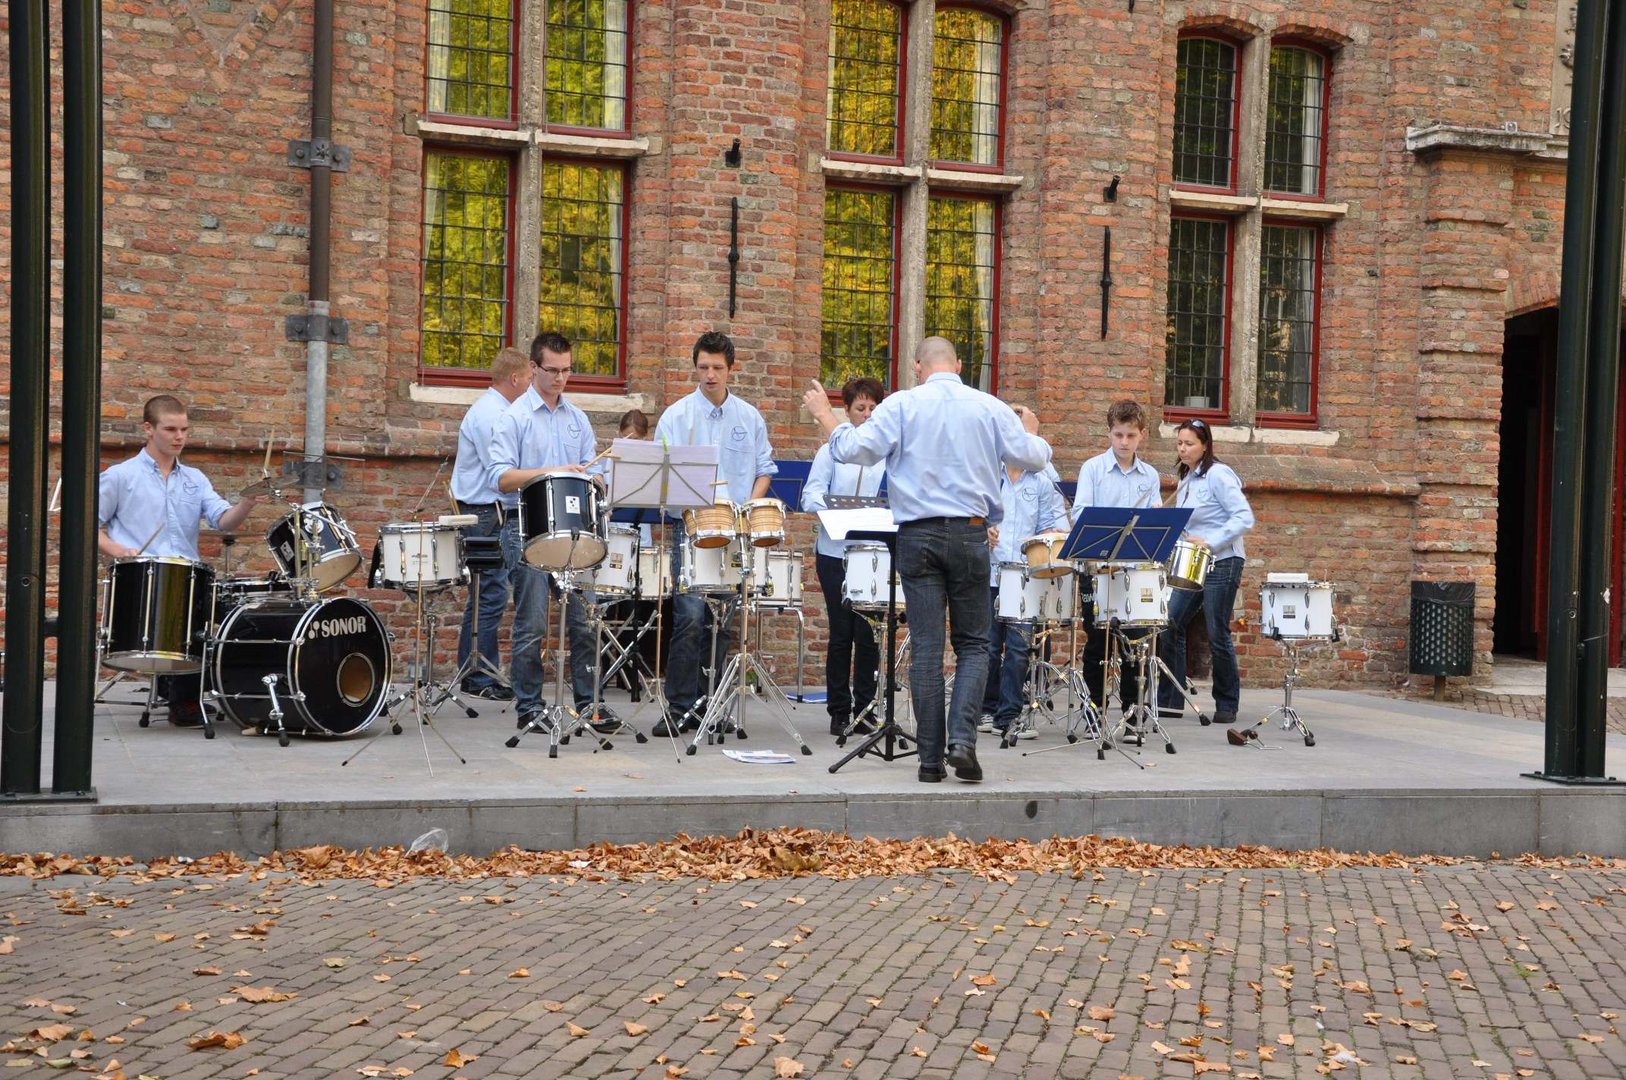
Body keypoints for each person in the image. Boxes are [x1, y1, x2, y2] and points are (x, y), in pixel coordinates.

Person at [801, 337, 1051, 784]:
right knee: (974, 644)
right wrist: (1030, 431)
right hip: (971, 533)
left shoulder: (901, 405)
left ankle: (929, 761)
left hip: (917, 535)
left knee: (927, 648)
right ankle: (962, 741)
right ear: (959, 365)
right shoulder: (989, 407)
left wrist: (825, 415)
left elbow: (856, 449)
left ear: (918, 367)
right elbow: (1035, 456)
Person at [98, 394, 263, 727]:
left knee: (245, 623)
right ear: (148, 429)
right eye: (171, 429)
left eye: (184, 430)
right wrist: (118, 550)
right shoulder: (120, 476)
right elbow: (88, 526)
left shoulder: (195, 479)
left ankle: (206, 688)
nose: (179, 437)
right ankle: (183, 701)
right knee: (188, 621)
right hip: (143, 576)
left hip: (189, 577)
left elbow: (223, 521)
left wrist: (247, 503)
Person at [650, 331, 778, 737]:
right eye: (703, 367)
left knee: (721, 620)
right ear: (695, 366)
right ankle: (678, 706)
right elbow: (660, 475)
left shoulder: (749, 417)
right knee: (689, 616)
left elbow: (764, 470)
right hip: (691, 529)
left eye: (717, 368)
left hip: (734, 530)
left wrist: (747, 508)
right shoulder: (676, 416)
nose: (709, 375)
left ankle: (711, 703)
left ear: (730, 369)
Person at [489, 332, 616, 734]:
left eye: (567, 370)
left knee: (585, 621)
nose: (560, 378)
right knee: (532, 623)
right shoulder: (514, 418)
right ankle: (530, 706)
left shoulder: (577, 418)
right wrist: (553, 471)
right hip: (525, 527)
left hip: (576, 531)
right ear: (533, 368)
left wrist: (597, 479)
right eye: (552, 370)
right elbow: (500, 478)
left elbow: (595, 469)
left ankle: (591, 705)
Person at [801, 377, 886, 737]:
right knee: (841, 633)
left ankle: (865, 708)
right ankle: (838, 709)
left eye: (872, 408)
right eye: (860, 408)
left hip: (874, 554)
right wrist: (836, 510)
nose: (867, 414)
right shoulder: (830, 451)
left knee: (869, 634)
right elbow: (810, 495)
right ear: (847, 412)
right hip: (835, 552)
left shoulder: (886, 452)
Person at [1157, 418, 1254, 728]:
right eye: (1179, 443)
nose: (1182, 449)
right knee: (1169, 622)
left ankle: (1227, 703)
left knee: (1216, 630)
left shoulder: (1218, 474)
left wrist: (1211, 541)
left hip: (1223, 560)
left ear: (1205, 445)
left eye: (1189, 443)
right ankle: (1170, 700)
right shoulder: (1186, 479)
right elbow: (1189, 527)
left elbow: (1244, 517)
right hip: (1194, 561)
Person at [450, 346, 531, 701]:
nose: (530, 386)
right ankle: (478, 675)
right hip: (484, 512)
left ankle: (476, 670)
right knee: (490, 592)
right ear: (515, 378)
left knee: (487, 593)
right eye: (528, 379)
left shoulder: (497, 411)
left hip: (489, 511)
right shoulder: (491, 416)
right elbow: (501, 472)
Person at [1072, 399, 1160, 720]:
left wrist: (1153, 517)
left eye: (1131, 436)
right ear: (1109, 433)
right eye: (1118, 435)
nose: (1124, 442)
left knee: (1135, 642)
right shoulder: (1093, 469)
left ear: (1142, 435)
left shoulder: (1150, 475)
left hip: (1133, 571)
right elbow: (1079, 514)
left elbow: (1154, 521)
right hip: (1098, 569)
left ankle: (1132, 710)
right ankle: (1094, 708)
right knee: (1098, 640)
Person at [980, 459, 1069, 742]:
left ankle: (1008, 715)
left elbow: (1052, 525)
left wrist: (1049, 534)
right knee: (989, 646)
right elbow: (969, 515)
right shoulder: (986, 472)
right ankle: (986, 708)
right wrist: (983, 529)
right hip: (989, 571)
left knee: (1019, 648)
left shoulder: (1041, 481)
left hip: (1024, 575)